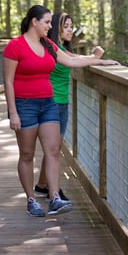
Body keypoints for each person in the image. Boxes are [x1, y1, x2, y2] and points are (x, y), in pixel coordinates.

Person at [3, 5, 119, 217]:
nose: (50, 26)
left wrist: (99, 60)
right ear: (34, 22)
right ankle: (31, 200)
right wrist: (13, 112)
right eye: (47, 22)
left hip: (48, 103)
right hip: (24, 105)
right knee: (27, 154)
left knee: (53, 150)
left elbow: (71, 60)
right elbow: (8, 82)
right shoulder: (15, 46)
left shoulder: (48, 44)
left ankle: (54, 197)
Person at [34, 12, 104, 200]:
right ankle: (53, 190)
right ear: (56, 28)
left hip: (62, 103)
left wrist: (98, 58)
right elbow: (74, 61)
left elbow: (77, 58)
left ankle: (42, 186)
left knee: (53, 149)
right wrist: (98, 59)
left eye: (72, 26)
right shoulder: (50, 47)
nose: (70, 30)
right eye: (65, 26)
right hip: (51, 103)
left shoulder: (61, 48)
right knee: (53, 149)